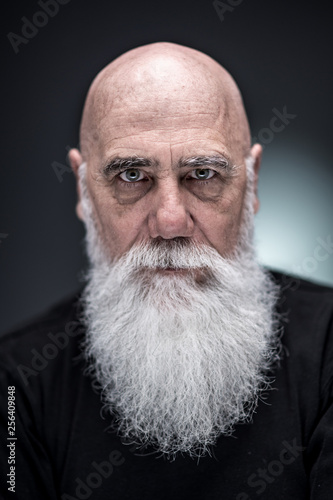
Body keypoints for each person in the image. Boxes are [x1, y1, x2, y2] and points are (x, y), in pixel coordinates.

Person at [0, 42, 332, 499]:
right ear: (82, 189)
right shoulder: (16, 384)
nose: (171, 222)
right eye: (132, 176)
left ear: (252, 182)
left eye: (203, 175)